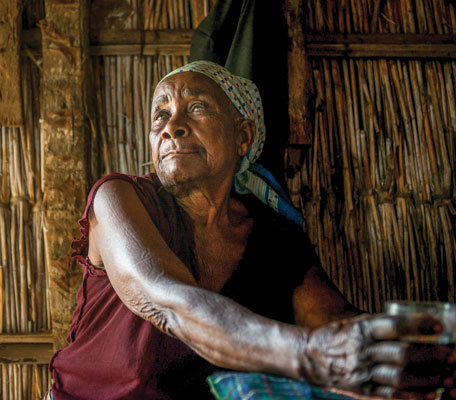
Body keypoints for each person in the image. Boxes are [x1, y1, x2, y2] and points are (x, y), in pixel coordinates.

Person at [47, 61, 455, 399]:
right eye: (161, 115)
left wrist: (402, 351)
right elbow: (167, 303)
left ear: (242, 136)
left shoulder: (271, 236)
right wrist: (313, 356)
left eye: (197, 108)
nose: (172, 126)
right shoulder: (119, 198)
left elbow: (332, 321)